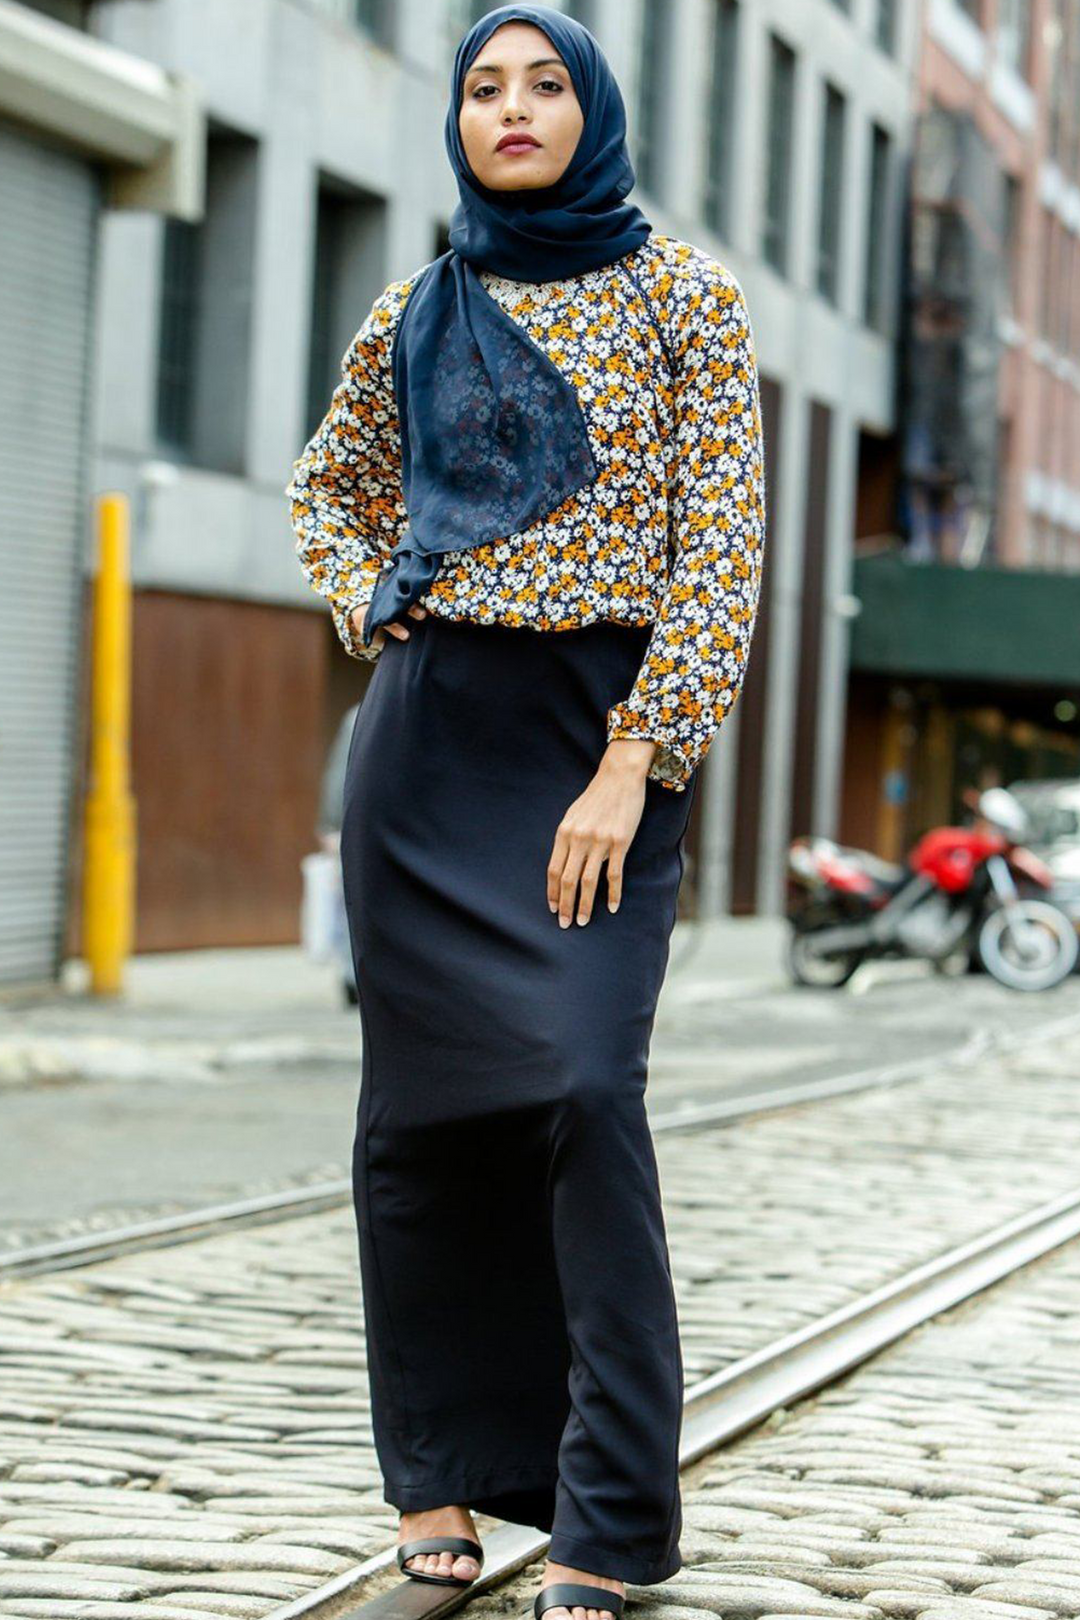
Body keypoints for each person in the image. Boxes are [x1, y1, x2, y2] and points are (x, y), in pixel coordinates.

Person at [284, 9, 766, 1620]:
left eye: (545, 82)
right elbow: (326, 488)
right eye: (484, 85)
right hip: (429, 751)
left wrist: (636, 766)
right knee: (417, 1123)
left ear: (594, 108)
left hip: (594, 742)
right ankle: (434, 1479)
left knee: (578, 1088)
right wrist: (372, 606)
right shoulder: (415, 306)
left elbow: (721, 565)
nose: (512, 109)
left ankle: (612, 1516)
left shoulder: (688, 299)